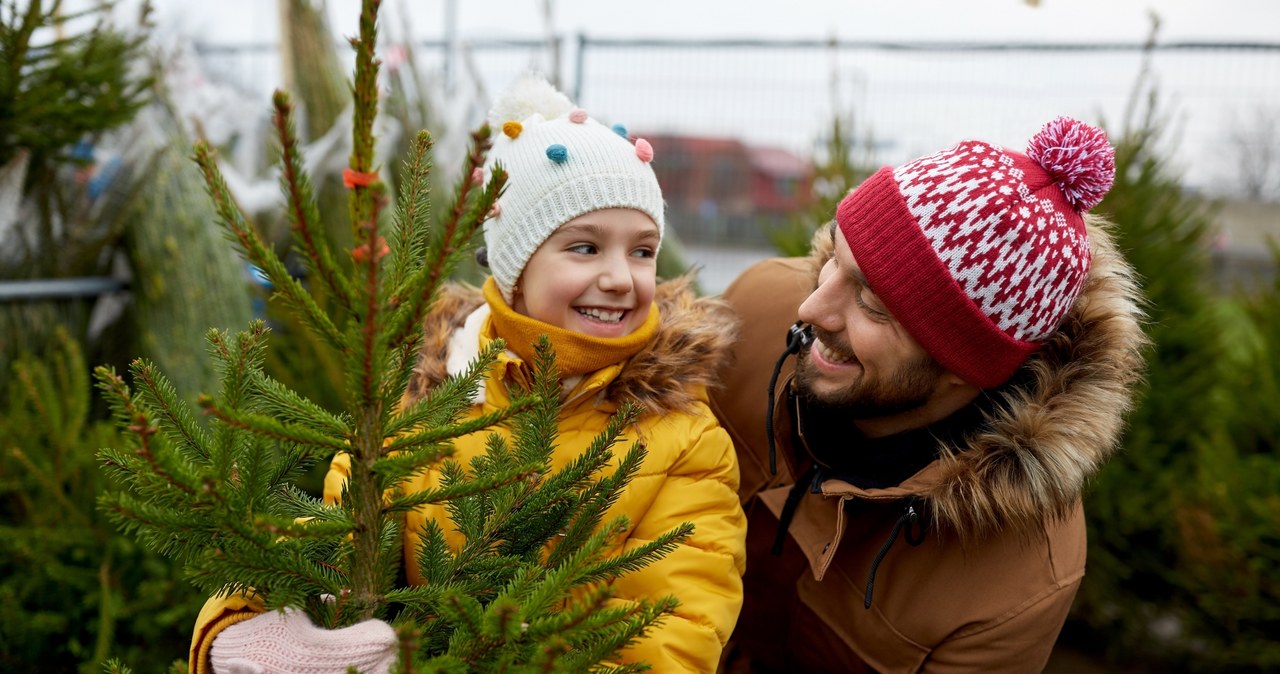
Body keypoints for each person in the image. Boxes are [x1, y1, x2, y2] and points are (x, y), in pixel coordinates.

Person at [189, 76, 748, 674]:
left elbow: (666, 645)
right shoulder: (429, 390)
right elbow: (336, 534)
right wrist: (240, 625)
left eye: (641, 251)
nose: (620, 277)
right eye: (584, 248)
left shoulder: (684, 438)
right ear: (515, 268)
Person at [711, 118, 1148, 673]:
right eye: (834, 263)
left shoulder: (1020, 577)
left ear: (965, 367)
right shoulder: (754, 311)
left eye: (872, 304)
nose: (812, 310)